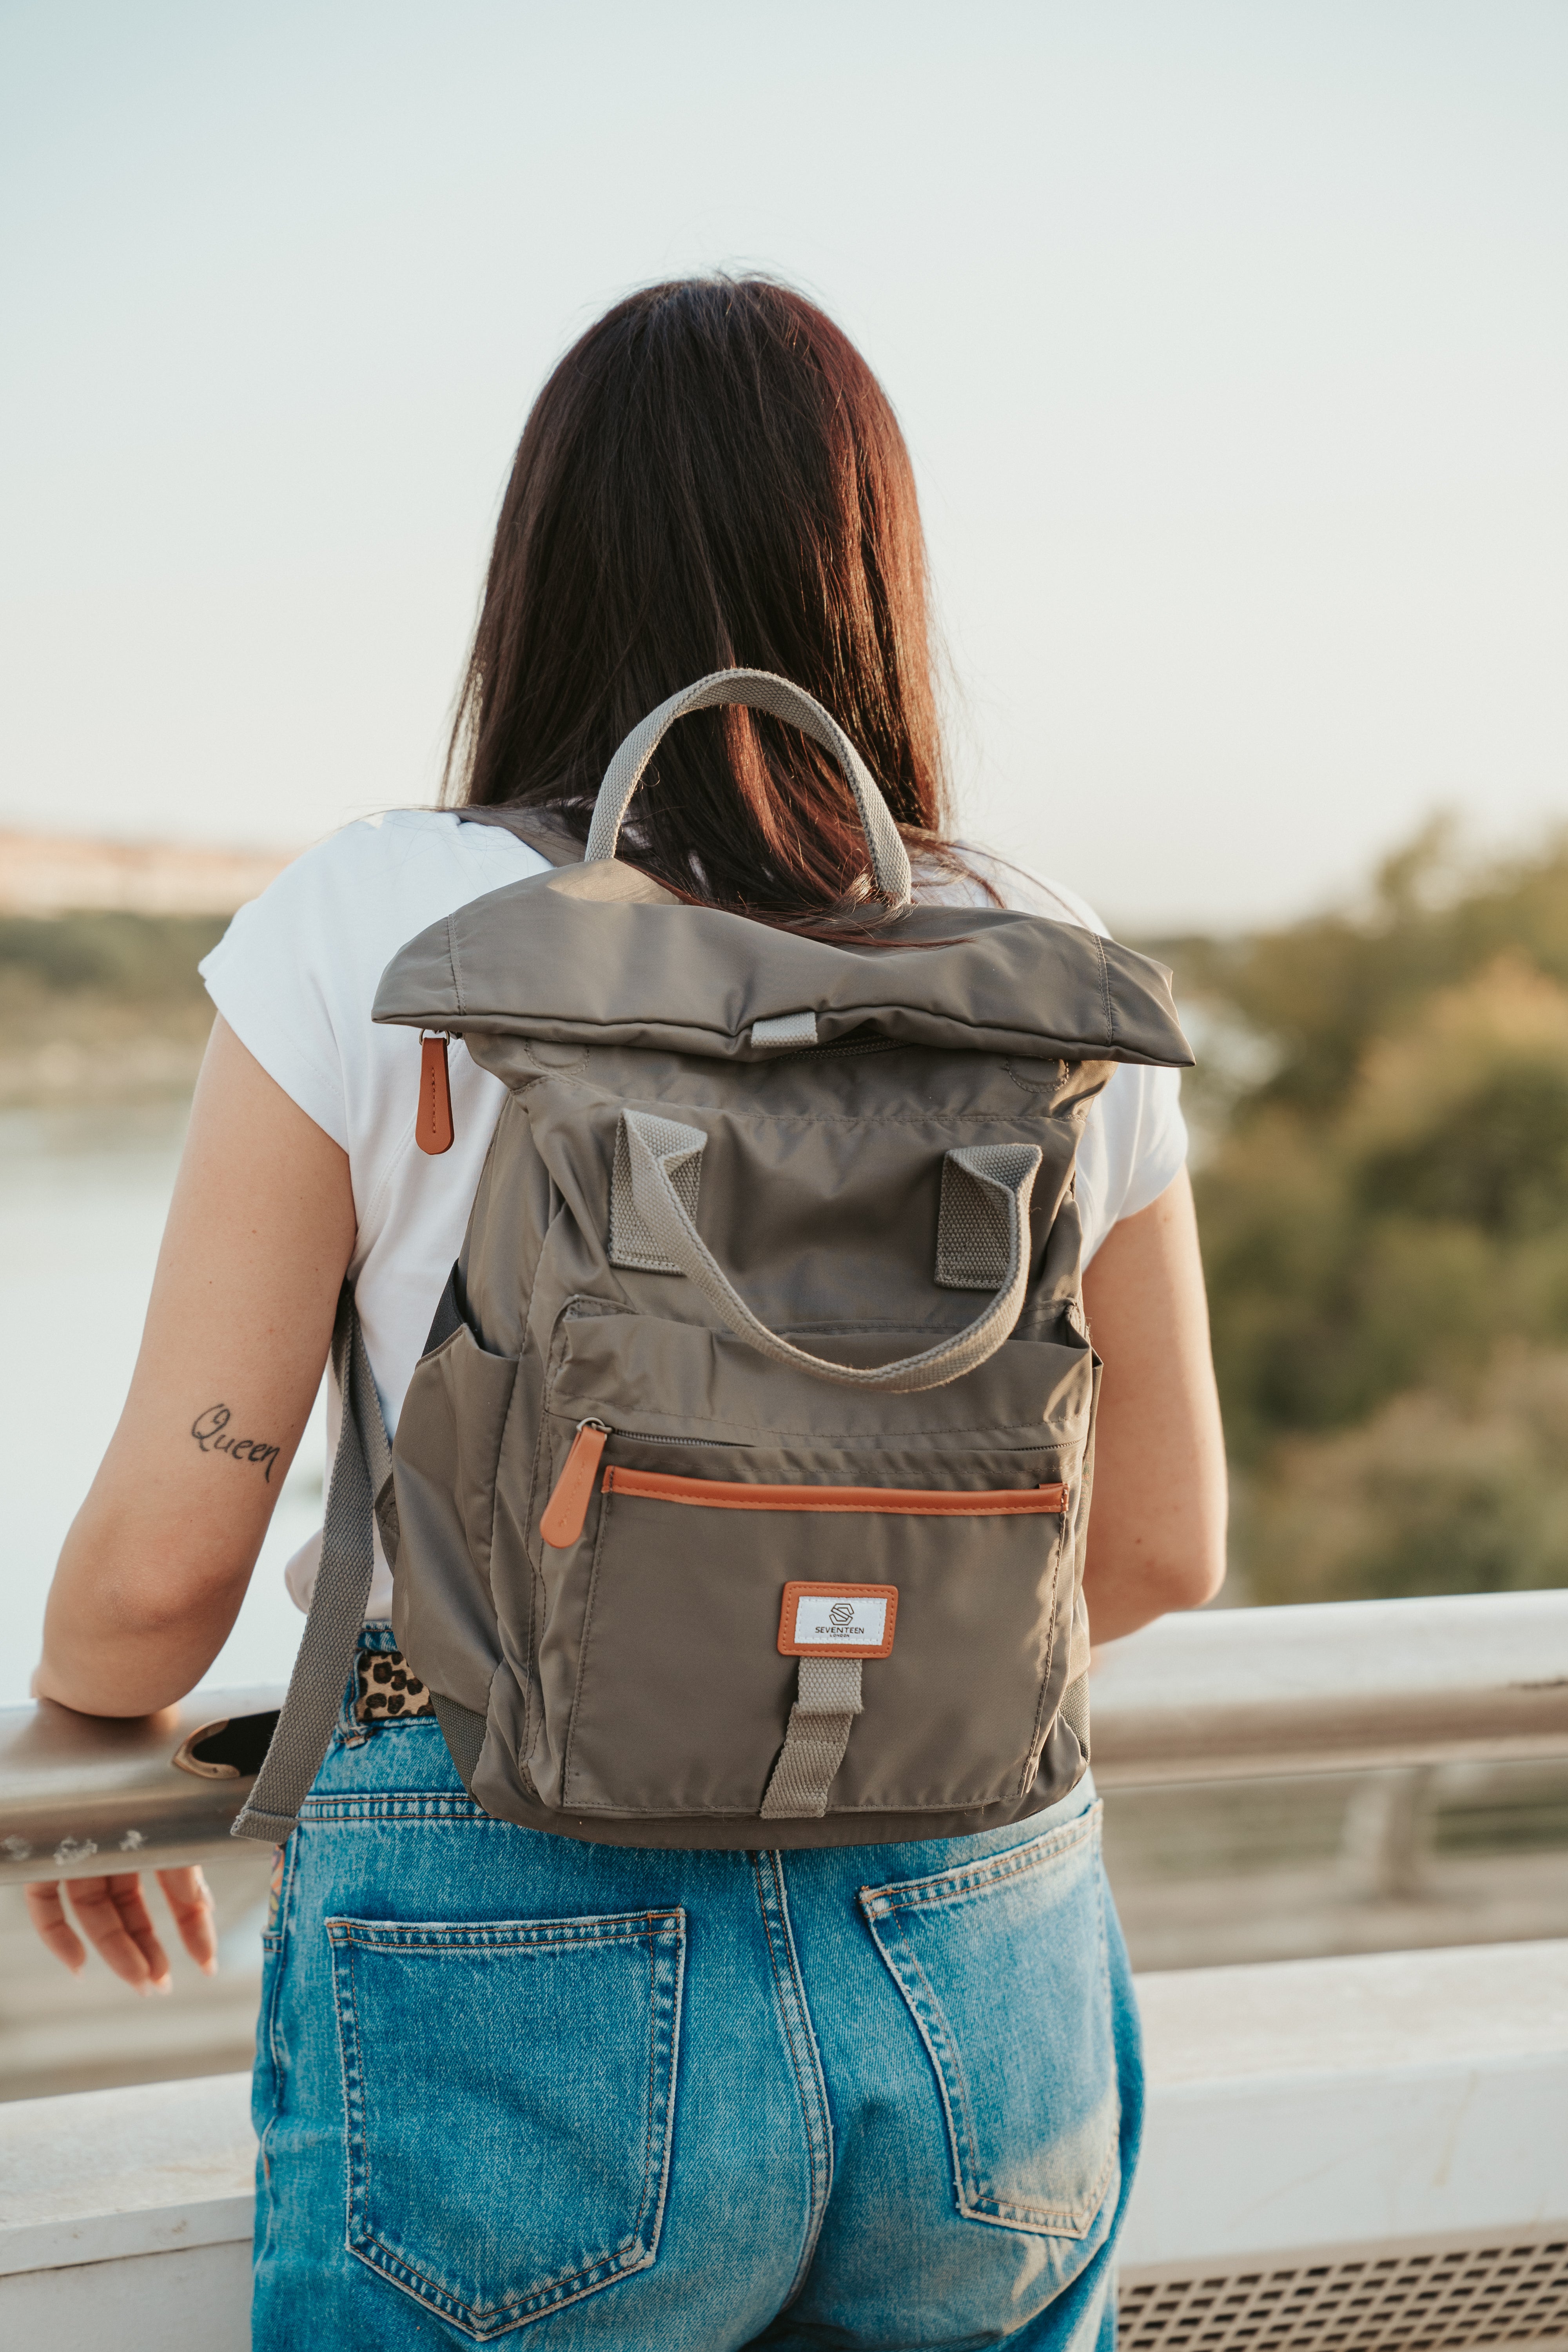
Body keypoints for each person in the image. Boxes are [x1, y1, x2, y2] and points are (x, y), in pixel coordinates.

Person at [27, 276, 1226, 2349]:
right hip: (975, 1924)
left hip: (508, 1918)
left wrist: (78, 1726)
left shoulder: (379, 925)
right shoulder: (1046, 961)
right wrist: (824, 1679)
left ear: (539, 568)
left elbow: (164, 1569)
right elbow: (1160, 1550)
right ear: (874, 569)